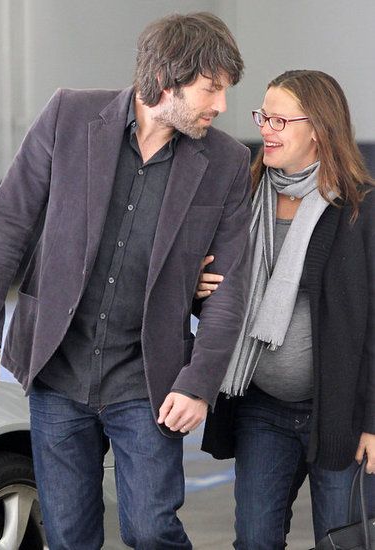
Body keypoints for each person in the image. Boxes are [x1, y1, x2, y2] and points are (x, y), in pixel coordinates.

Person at [0, 12, 251, 550]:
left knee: (151, 530)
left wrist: (199, 383)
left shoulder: (228, 162)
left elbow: (229, 288)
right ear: (166, 80)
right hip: (57, 371)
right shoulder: (68, 116)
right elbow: (9, 224)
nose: (221, 106)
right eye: (211, 89)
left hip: (149, 380)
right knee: (69, 536)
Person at [197, 69, 375, 549]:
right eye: (263, 117)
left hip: (338, 414)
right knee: (254, 540)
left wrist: (373, 423)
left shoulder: (359, 210)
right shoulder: (244, 197)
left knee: (344, 541)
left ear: (318, 127)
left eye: (279, 119)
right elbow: (221, 295)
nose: (266, 129)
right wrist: (199, 288)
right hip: (261, 407)